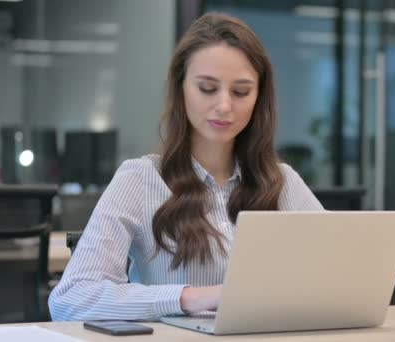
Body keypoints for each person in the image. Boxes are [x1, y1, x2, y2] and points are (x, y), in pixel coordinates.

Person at [48, 13, 323, 321]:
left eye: (241, 92)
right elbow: (71, 298)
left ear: (259, 97)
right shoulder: (140, 180)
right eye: (207, 88)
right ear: (180, 89)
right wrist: (189, 297)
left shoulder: (282, 182)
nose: (224, 106)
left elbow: (338, 275)